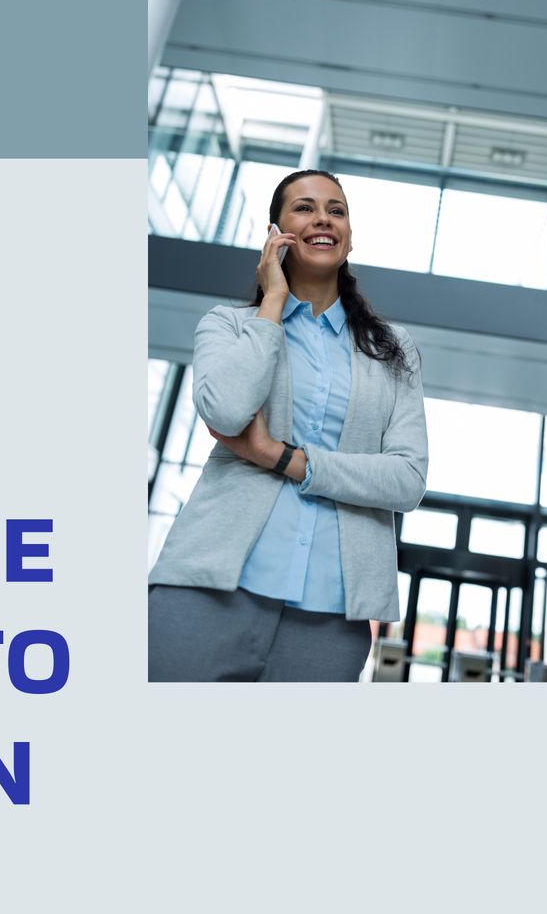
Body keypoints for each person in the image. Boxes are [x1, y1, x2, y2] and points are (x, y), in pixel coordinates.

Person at [148, 169, 428, 682]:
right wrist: (272, 300)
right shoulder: (228, 325)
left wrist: (283, 458)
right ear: (276, 231)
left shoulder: (393, 349)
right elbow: (227, 412)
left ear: (348, 236)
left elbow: (407, 480)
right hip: (210, 588)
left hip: (330, 616)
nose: (322, 218)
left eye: (336, 210)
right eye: (304, 207)